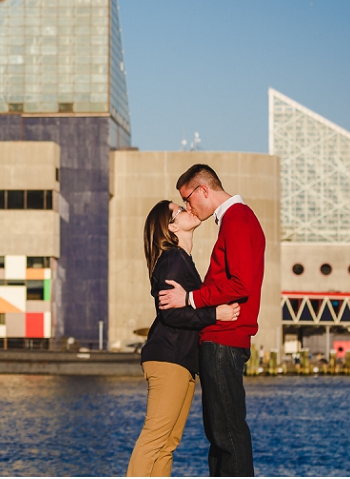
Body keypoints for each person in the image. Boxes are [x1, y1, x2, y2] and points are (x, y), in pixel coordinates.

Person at [158, 164, 265, 477]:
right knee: (219, 432)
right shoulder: (235, 220)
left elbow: (241, 283)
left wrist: (190, 299)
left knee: (226, 432)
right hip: (222, 337)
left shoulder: (237, 218)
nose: (189, 207)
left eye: (189, 199)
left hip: (224, 338)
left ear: (203, 189)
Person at [127, 200, 241, 477]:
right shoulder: (173, 259)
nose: (188, 210)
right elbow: (173, 315)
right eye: (181, 209)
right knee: (155, 439)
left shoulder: (180, 260)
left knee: (168, 444)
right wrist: (216, 314)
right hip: (169, 360)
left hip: (182, 361)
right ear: (171, 226)